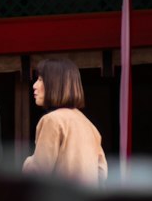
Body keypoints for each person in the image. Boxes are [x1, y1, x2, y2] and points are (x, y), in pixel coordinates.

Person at [23, 56, 108, 184]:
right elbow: (102, 172)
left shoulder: (52, 120)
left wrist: (28, 163)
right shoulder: (88, 124)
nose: (34, 85)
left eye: (40, 79)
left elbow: (38, 173)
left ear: (55, 84)